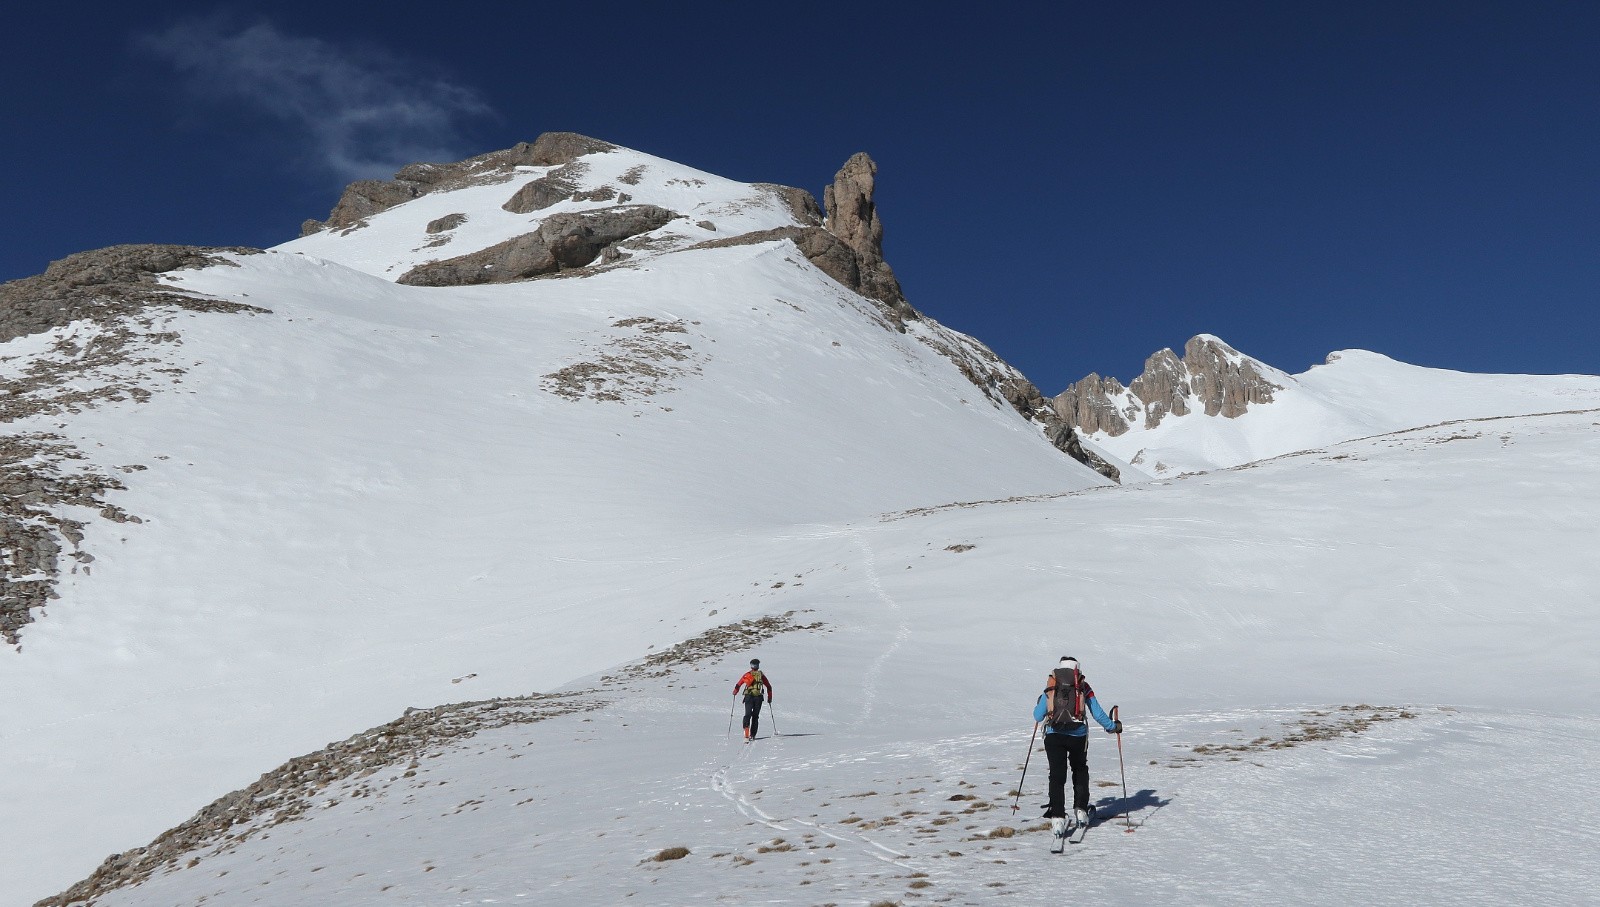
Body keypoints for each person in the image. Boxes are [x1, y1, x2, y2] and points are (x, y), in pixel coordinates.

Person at [1031, 655, 1122, 836]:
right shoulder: (1082, 685)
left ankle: (1057, 818)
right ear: (1076, 668)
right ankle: (1081, 810)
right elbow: (1096, 711)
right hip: (1078, 735)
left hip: (1053, 735)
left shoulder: (1052, 683)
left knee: (1057, 776)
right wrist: (1113, 727)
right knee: (1079, 770)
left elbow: (1037, 715)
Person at [732, 658, 773, 741]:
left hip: (748, 697)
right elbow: (769, 687)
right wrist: (769, 698)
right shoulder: (761, 675)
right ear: (758, 666)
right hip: (758, 698)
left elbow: (738, 684)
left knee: (747, 714)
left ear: (751, 666)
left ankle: (746, 730)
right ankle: (753, 734)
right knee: (755, 716)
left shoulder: (747, 674)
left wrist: (735, 692)